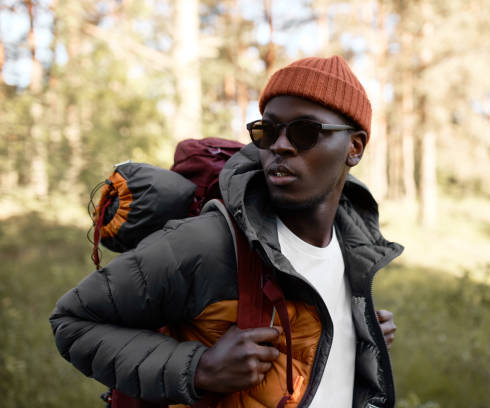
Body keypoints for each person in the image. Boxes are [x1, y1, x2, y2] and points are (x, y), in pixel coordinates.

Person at [50, 55, 403, 408]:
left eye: (304, 131)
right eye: (268, 131)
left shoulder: (353, 245)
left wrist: (357, 335)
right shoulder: (209, 242)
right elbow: (73, 320)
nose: (280, 145)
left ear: (354, 148)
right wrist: (199, 369)